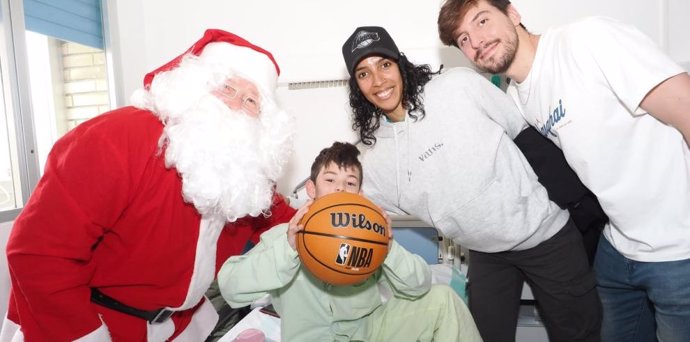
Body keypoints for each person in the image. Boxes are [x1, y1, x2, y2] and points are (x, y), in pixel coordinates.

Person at [1, 29, 296, 341]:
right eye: (226, 88)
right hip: (89, 325)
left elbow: (281, 217)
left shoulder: (242, 171)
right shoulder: (116, 138)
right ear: (195, 86)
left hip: (179, 327)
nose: (235, 105)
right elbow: (38, 252)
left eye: (251, 100)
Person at [438, 1, 690, 340]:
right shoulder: (516, 102)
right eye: (464, 39)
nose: (476, 41)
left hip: (679, 250)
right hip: (617, 250)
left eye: (482, 21)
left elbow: (685, 107)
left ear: (512, 14)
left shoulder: (587, 41)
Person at [342, 26, 601, 342]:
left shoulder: (457, 86)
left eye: (384, 65)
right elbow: (346, 207)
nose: (379, 80)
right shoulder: (376, 161)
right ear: (357, 86)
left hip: (544, 236)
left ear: (399, 63)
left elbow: (525, 135)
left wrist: (578, 206)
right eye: (364, 73)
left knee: (579, 335)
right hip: (486, 253)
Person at [218, 142, 482, 342]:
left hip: (371, 333)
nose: (340, 189)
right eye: (330, 180)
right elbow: (231, 287)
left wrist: (388, 249)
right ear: (312, 189)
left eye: (350, 182)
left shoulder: (371, 237)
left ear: (359, 193)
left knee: (442, 299)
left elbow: (418, 287)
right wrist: (288, 250)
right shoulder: (283, 237)